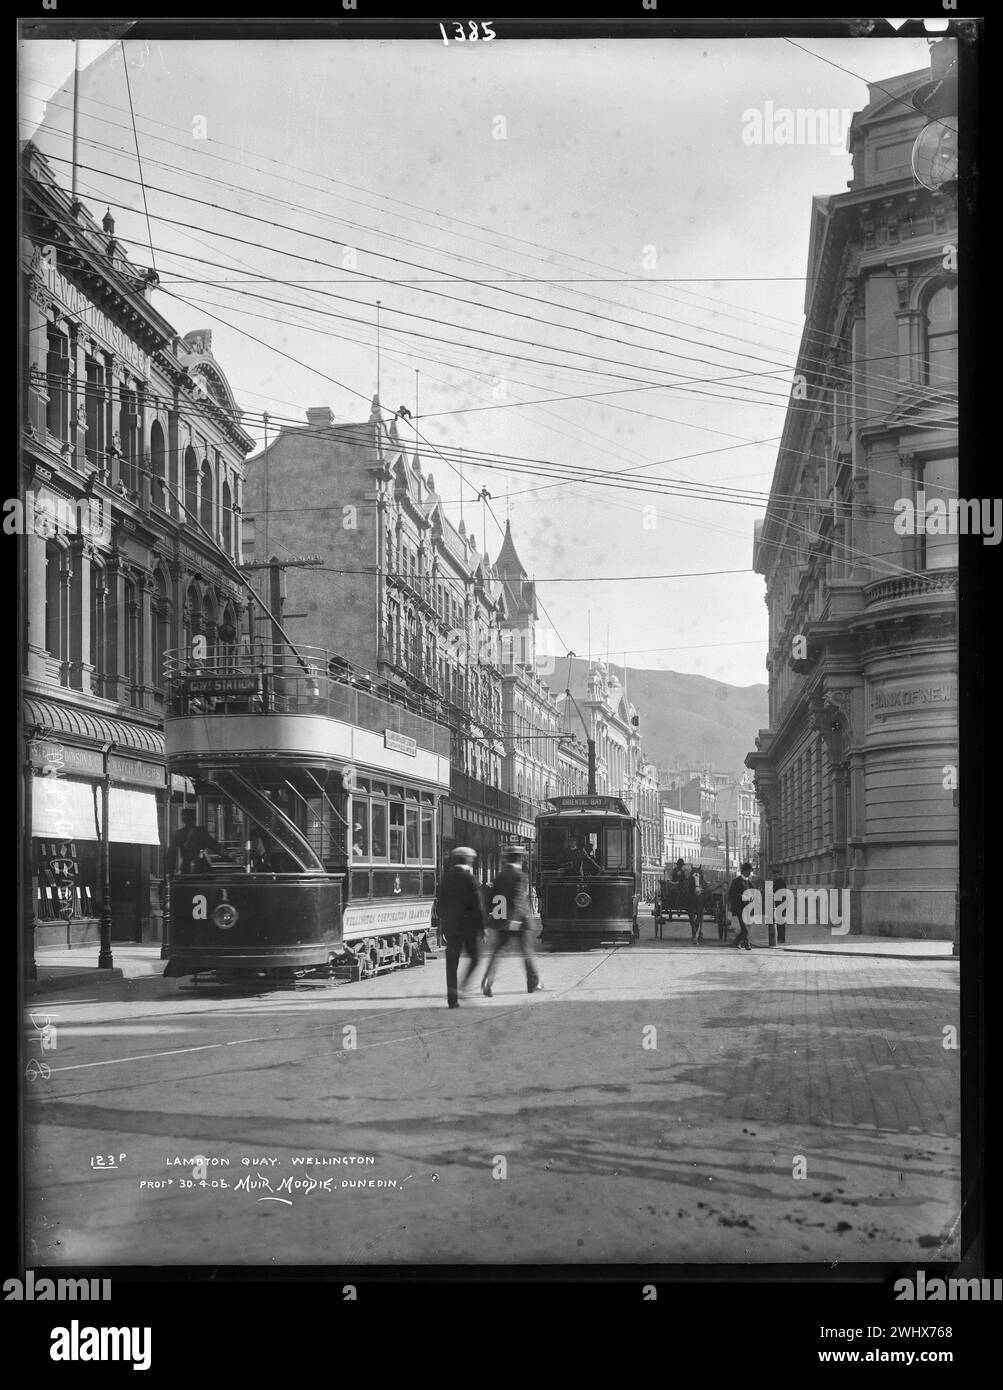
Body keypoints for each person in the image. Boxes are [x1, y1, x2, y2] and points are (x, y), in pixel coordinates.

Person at [482, 849, 543, 997]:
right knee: (526, 951)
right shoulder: (521, 876)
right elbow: (517, 897)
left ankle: (487, 983)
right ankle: (533, 983)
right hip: (519, 921)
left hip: (501, 919)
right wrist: (514, 920)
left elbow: (492, 899)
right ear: (520, 859)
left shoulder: (499, 876)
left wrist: (495, 919)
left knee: (497, 952)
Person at [436, 847, 487, 1008]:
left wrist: (443, 924)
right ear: (469, 861)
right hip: (469, 929)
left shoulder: (446, 879)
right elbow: (478, 906)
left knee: (451, 964)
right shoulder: (471, 879)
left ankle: (452, 999)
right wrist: (482, 928)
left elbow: (440, 905)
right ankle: (464, 987)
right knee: (475, 958)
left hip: (451, 929)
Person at [166, 808, 228, 875]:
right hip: (200, 868)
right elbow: (215, 846)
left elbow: (171, 856)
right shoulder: (201, 832)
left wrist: (169, 874)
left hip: (186, 869)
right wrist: (229, 855)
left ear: (183, 820)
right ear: (195, 819)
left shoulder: (178, 834)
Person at [728, 860, 754, 951]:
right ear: (744, 871)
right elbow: (731, 894)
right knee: (744, 928)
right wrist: (743, 896)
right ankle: (745, 943)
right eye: (749, 872)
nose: (750, 873)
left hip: (747, 908)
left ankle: (739, 941)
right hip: (739, 908)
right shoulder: (736, 881)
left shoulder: (748, 882)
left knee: (745, 927)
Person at [687, 865, 707, 944]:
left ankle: (696, 933)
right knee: (692, 919)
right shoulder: (676, 871)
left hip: (699, 891)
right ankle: (694, 934)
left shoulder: (700, 878)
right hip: (690, 894)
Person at [771, 868, 788, 945]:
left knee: (780, 922)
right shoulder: (779, 881)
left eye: (775, 875)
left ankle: (781, 938)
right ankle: (780, 938)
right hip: (781, 904)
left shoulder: (779, 882)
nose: (774, 876)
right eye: (774, 875)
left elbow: (779, 893)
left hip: (780, 904)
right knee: (780, 922)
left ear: (778, 875)